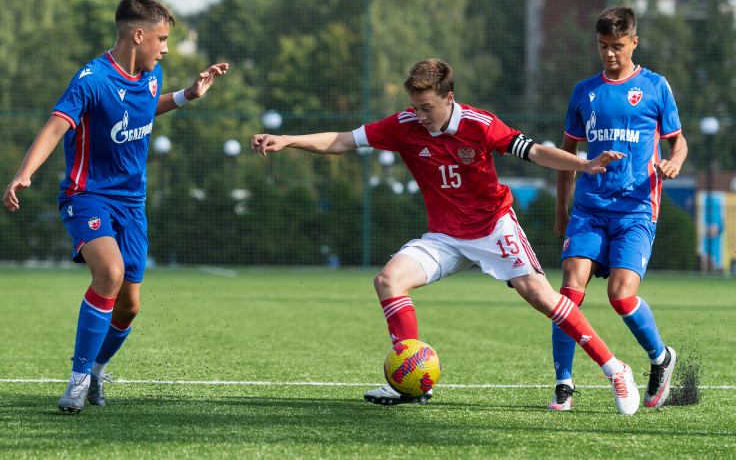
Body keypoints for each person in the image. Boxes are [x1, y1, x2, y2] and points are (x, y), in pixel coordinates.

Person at [252, 58, 641, 415]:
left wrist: (585, 164)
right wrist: (288, 140)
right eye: (415, 107)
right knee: (388, 280)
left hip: (493, 228)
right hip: (444, 237)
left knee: (541, 297)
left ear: (448, 98)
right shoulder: (404, 125)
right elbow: (341, 141)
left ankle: (614, 368)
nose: (419, 116)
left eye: (427, 108)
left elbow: (537, 152)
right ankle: (412, 383)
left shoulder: (480, 124)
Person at [2, 0, 228, 413]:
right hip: (87, 196)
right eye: (161, 39)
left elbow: (142, 110)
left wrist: (187, 95)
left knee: (129, 304)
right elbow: (55, 127)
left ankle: (98, 372)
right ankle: (77, 379)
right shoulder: (92, 79)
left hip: (133, 206)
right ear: (137, 35)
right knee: (110, 271)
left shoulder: (152, 76)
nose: (165, 48)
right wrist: (23, 172)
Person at [548, 6, 688, 412]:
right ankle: (564, 383)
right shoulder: (584, 91)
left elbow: (678, 142)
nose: (610, 54)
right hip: (589, 209)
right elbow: (566, 155)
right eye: (603, 46)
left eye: (617, 47)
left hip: (637, 211)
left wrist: (674, 161)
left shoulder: (656, 87)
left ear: (634, 43)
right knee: (568, 294)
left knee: (620, 296)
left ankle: (660, 358)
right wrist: (562, 211)